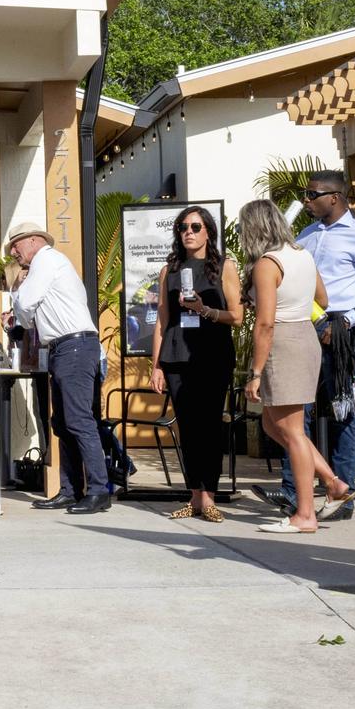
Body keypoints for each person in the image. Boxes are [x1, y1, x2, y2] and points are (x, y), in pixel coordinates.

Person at [288, 172, 355, 519]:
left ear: (334, 197)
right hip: (306, 324)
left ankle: (342, 495)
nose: (306, 200)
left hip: (345, 328)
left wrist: (348, 320)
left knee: (343, 410)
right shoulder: (305, 236)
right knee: (296, 409)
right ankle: (295, 492)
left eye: (312, 194)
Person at [240, 199, 349, 535]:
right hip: (305, 335)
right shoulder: (303, 254)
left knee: (292, 432)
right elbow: (324, 299)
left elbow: (265, 324)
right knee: (275, 426)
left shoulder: (266, 263)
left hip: (283, 342)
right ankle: (333, 483)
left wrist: (255, 372)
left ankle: (304, 514)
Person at [6, 221, 110, 514]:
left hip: (73, 347)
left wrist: (19, 302)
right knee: (63, 423)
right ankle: (71, 490)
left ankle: (99, 491)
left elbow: (25, 304)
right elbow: (27, 314)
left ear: (34, 240)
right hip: (66, 348)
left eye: (17, 244)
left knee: (78, 420)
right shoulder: (48, 263)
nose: (13, 251)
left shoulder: (46, 259)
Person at [156, 206, 241, 522]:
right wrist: (156, 366)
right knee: (188, 428)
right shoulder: (169, 270)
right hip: (177, 355)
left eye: (195, 226)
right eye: (182, 227)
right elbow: (161, 322)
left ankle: (210, 497)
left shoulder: (223, 267)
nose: (188, 232)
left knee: (210, 426)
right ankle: (194, 498)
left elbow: (238, 316)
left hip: (212, 354)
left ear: (208, 231)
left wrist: (204, 310)